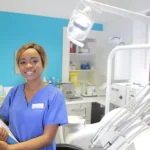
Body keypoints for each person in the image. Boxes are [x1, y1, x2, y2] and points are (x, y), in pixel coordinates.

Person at [0, 42, 68, 150]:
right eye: (23, 62)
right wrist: (1, 130)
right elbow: (2, 119)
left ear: (43, 64)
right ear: (19, 67)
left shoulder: (54, 95)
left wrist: (10, 149)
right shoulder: (14, 92)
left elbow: (47, 138)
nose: (28, 66)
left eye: (34, 61)